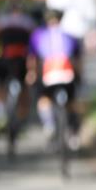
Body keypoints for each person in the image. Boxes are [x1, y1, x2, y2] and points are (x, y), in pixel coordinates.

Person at [27, 8, 80, 149]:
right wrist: (79, 76)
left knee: (43, 100)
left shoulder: (38, 35)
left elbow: (33, 59)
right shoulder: (69, 36)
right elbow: (77, 60)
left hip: (48, 73)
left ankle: (49, 124)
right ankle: (73, 132)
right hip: (67, 73)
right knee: (72, 103)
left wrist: (32, 74)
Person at [0, 0, 36, 133]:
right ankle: (22, 118)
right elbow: (33, 45)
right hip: (21, 60)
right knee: (25, 88)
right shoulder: (29, 23)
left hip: (5, 59)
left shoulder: (1, 22)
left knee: (0, 86)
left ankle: (0, 114)